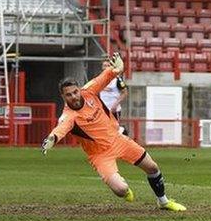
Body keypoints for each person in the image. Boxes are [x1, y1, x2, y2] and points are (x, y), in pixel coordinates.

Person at [41, 53, 186, 212]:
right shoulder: (69, 115)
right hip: (100, 154)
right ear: (63, 96)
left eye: (75, 92)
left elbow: (109, 74)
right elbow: (59, 129)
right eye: (69, 95)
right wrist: (52, 139)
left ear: (79, 89)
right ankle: (124, 189)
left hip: (118, 140)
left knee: (152, 167)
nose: (74, 97)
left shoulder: (89, 91)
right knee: (120, 190)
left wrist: (119, 67)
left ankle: (163, 202)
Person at [99, 59, 129, 135]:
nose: (106, 67)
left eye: (108, 66)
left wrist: (116, 104)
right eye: (104, 65)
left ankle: (123, 133)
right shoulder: (99, 79)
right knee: (104, 130)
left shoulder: (117, 80)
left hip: (114, 110)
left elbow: (125, 92)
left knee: (115, 130)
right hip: (103, 110)